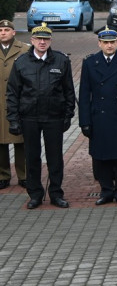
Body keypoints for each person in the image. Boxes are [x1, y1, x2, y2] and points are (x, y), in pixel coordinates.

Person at [6, 24, 76, 209]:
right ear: (32, 41)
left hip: (54, 117)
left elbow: (69, 91)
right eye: (39, 39)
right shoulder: (21, 62)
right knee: (32, 157)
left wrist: (68, 114)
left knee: (55, 158)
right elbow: (12, 93)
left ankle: (55, 193)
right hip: (29, 117)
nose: (42, 42)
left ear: (50, 40)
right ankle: (35, 194)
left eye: (45, 39)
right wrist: (13, 118)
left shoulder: (61, 61)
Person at [79, 29, 117, 205]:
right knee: (101, 156)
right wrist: (85, 121)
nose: (109, 45)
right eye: (105, 42)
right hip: (99, 116)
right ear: (99, 43)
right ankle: (106, 190)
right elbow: (84, 95)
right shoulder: (90, 63)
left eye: (112, 42)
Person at [0, 19, 29, 190]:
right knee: (1, 142)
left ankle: (24, 175)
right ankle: (3, 175)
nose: (3, 32)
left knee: (21, 141)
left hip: (18, 101)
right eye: (0, 30)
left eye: (6, 29)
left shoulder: (24, 49)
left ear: (13, 32)